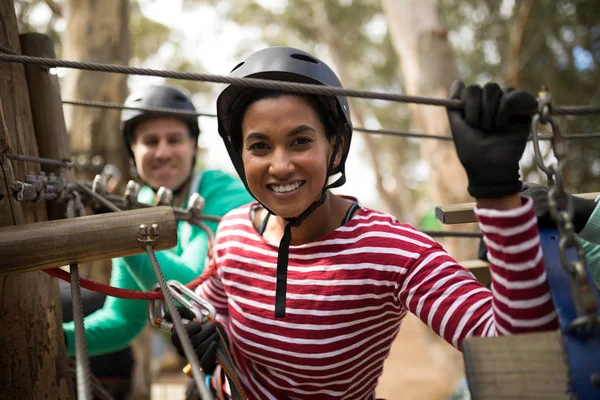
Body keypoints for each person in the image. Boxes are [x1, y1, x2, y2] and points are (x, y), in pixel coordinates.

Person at [171, 47, 558, 399]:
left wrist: (498, 193)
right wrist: (202, 335)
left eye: (300, 140)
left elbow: (517, 352)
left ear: (335, 146)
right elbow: (214, 310)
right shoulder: (232, 231)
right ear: (240, 157)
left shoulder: (394, 251)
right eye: (259, 146)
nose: (280, 165)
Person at [62, 84, 253, 356]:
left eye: (174, 140)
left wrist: (121, 233)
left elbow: (192, 288)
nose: (162, 152)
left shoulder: (223, 194)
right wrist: (57, 340)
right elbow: (124, 320)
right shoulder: (138, 201)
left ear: (193, 146)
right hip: (212, 361)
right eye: (150, 142)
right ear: (133, 151)